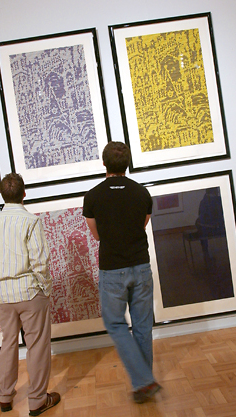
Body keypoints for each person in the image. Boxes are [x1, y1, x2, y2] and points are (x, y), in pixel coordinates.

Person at [82, 142, 162, 403]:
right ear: (127, 163)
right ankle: (144, 383)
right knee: (142, 326)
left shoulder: (92, 196)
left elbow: (96, 236)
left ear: (104, 164)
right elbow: (142, 225)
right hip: (140, 266)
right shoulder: (142, 194)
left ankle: (144, 381)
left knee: (115, 324)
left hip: (112, 270)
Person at [0, 173, 60, 416]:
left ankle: (4, 396)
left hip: (4, 297)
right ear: (24, 193)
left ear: (2, 195)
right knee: (37, 346)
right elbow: (39, 262)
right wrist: (45, 288)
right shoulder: (30, 221)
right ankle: (36, 400)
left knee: (8, 344)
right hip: (30, 294)